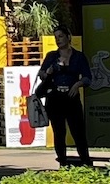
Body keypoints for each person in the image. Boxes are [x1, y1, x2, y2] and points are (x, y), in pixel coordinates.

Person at [34, 34, 93, 166]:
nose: (58, 39)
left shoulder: (78, 56)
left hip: (71, 98)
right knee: (59, 132)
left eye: (61, 36)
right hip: (55, 98)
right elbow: (41, 74)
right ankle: (62, 162)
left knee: (78, 131)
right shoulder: (51, 56)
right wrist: (48, 72)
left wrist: (78, 84)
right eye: (56, 37)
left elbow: (88, 77)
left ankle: (85, 161)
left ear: (68, 37)